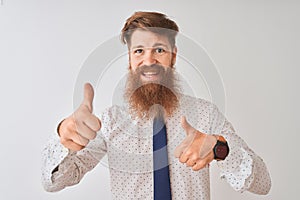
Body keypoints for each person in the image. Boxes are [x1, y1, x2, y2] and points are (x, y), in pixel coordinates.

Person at [42, 11, 271, 200]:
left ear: (173, 56)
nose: (149, 60)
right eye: (139, 51)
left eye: (159, 50)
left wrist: (220, 149)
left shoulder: (205, 114)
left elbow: (263, 184)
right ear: (130, 59)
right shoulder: (110, 121)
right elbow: (53, 183)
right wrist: (64, 137)